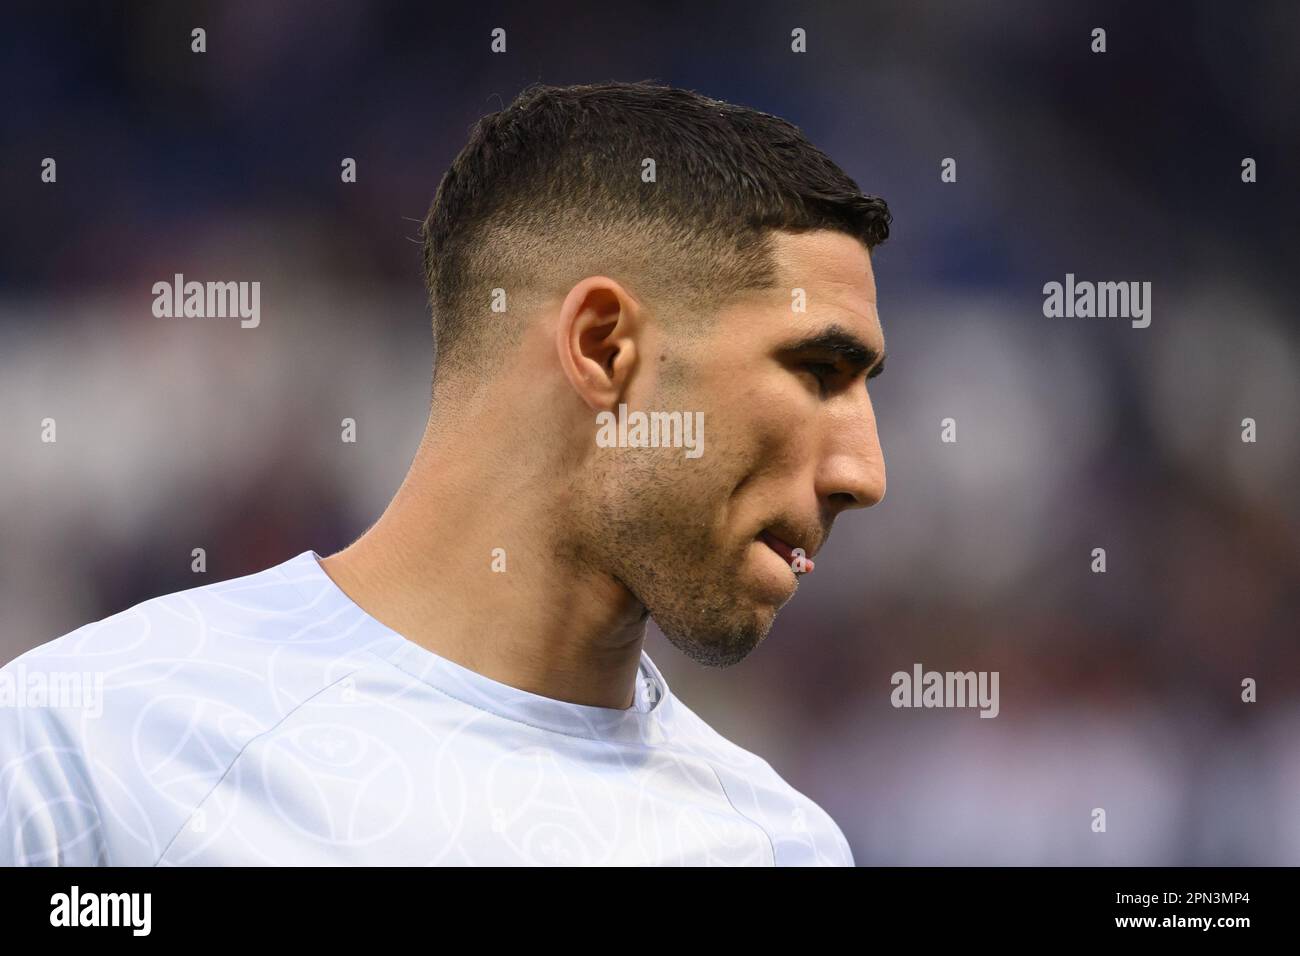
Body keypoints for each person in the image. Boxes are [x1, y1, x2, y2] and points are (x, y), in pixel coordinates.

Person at [0, 80, 889, 865]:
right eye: (818, 372)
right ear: (605, 348)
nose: (864, 472)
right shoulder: (88, 746)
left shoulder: (778, 845)